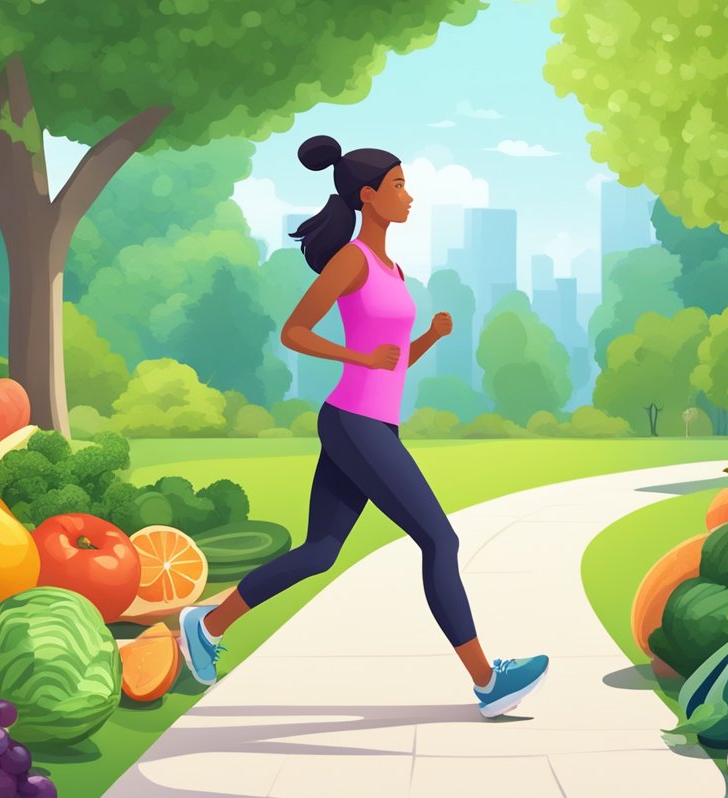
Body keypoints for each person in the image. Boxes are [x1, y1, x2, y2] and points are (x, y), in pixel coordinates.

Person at [177, 135, 549, 718]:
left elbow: (391, 362)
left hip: (375, 422)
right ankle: (487, 682)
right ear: (369, 196)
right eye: (398, 186)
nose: (409, 196)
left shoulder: (392, 267)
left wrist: (427, 338)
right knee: (439, 540)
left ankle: (206, 625)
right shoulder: (351, 259)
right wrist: (357, 359)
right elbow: (295, 331)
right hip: (354, 424)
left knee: (322, 550)